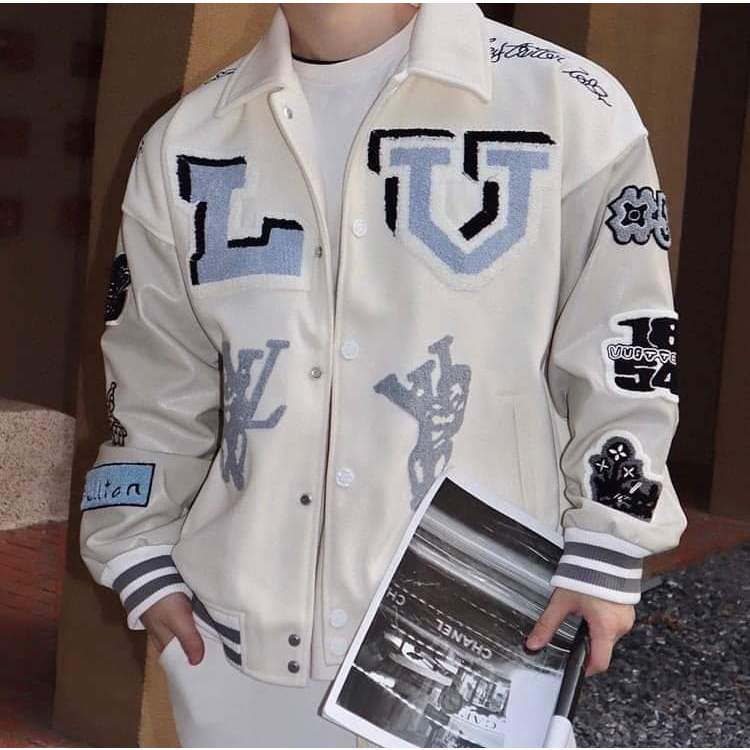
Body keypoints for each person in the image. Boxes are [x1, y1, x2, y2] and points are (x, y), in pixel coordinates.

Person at [79, 3, 686, 747]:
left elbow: (625, 341)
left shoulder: (569, 106)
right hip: (240, 648)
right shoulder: (188, 139)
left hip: (479, 639)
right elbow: (153, 372)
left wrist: (610, 539)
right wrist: (136, 545)